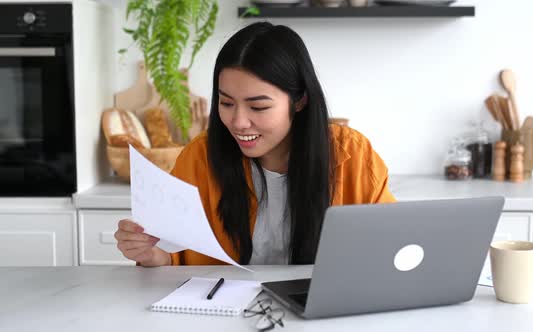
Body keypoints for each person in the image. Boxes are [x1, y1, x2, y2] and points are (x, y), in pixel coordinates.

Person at [114, 22, 395, 267]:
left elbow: (391, 245)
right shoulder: (199, 157)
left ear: (300, 100)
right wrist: (152, 255)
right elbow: (177, 254)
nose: (238, 122)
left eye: (258, 107)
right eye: (226, 103)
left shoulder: (353, 154)